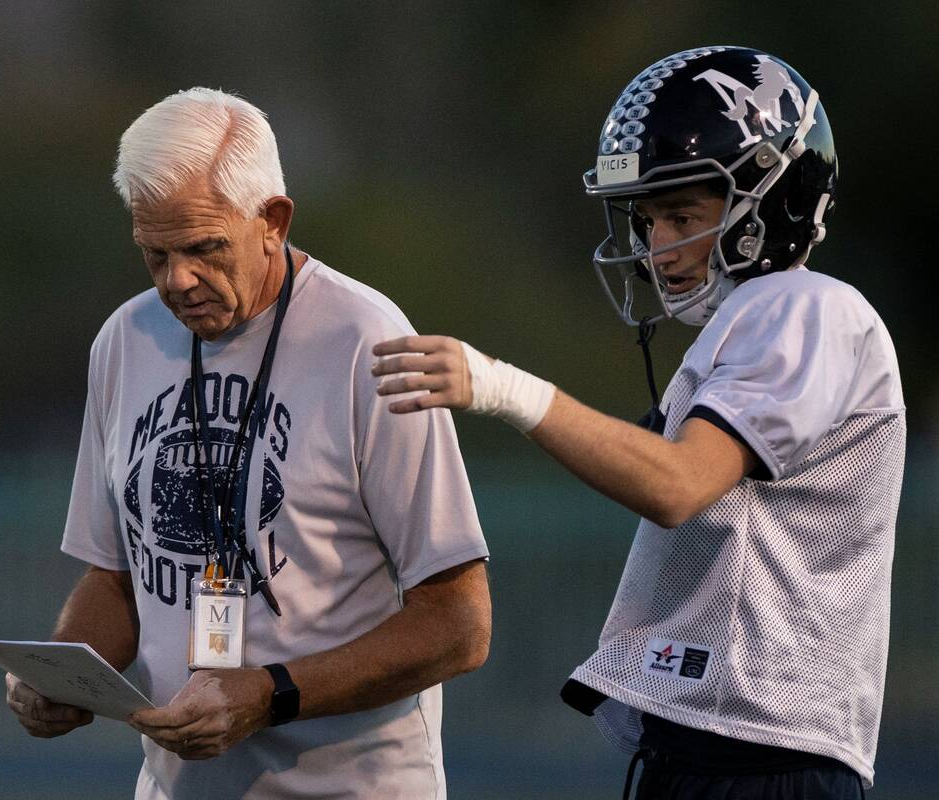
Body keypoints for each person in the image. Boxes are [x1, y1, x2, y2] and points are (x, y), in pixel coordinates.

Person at [373, 46, 904, 799]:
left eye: (682, 214)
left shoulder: (805, 308)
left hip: (763, 756)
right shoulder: (752, 324)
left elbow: (680, 484)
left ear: (772, 198)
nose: (659, 248)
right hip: (714, 744)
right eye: (650, 219)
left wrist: (505, 388)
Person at [3, 87, 492, 800]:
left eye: (203, 249)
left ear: (272, 220)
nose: (178, 281)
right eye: (154, 254)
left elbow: (459, 624)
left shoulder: (370, 342)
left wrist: (270, 692)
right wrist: (65, 675)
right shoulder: (124, 340)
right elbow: (116, 576)